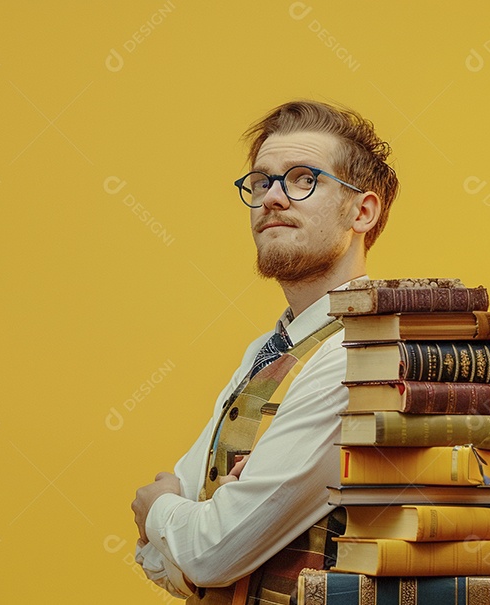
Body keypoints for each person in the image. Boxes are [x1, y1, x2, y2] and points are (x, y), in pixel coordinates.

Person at [131, 100, 400, 605]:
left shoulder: (361, 352)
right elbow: (180, 544)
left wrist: (163, 514)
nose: (273, 198)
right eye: (261, 183)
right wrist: (192, 533)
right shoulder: (268, 347)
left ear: (362, 211)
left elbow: (210, 551)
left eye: (303, 179)